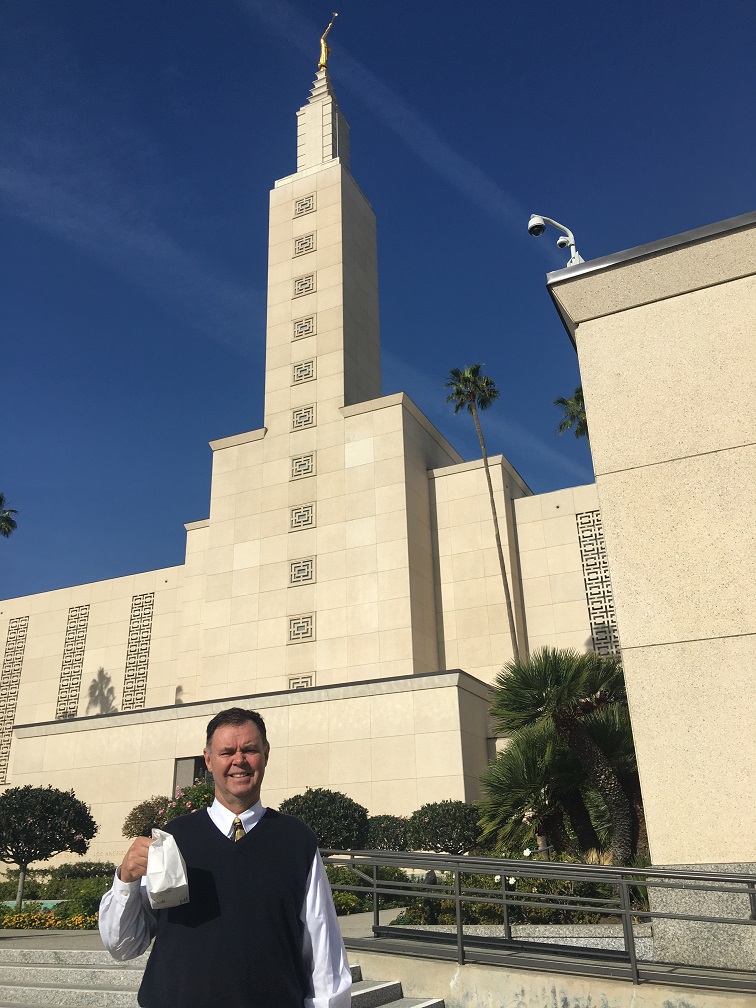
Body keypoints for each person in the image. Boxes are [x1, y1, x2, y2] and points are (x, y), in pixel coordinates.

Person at [99, 707, 352, 1008]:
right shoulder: (171, 839)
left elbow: (322, 949)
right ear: (207, 760)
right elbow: (123, 946)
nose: (239, 761)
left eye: (249, 749)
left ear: (266, 754)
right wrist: (125, 881)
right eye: (226, 752)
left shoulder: (296, 841)